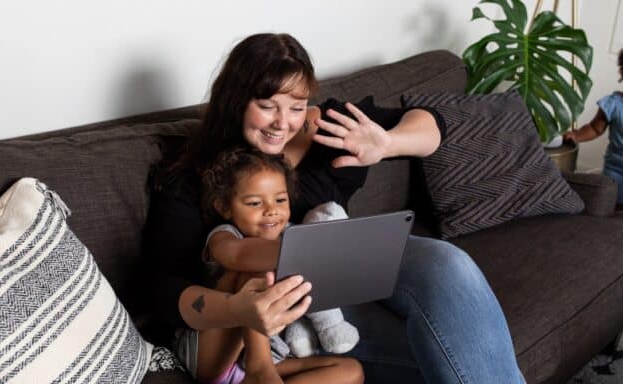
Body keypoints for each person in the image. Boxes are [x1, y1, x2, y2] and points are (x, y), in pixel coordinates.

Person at [143, 33, 525, 383]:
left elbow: (435, 125)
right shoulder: (194, 175)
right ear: (235, 102)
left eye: (296, 106)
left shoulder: (328, 127)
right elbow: (163, 293)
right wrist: (242, 308)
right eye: (266, 106)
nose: (283, 123)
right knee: (447, 362)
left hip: (337, 297)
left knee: (447, 264)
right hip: (252, 323)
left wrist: (387, 143)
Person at [185, 145, 363, 384]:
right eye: (255, 203)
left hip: (275, 361)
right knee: (259, 270)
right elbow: (238, 255)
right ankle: (259, 369)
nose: (272, 210)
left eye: (280, 199)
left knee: (351, 371)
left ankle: (261, 373)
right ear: (224, 207)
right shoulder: (225, 235)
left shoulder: (292, 234)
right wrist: (311, 250)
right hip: (215, 356)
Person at [564, 48, 623, 207]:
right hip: (615, 170)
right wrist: (577, 135)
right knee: (609, 202)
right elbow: (595, 128)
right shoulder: (613, 104)